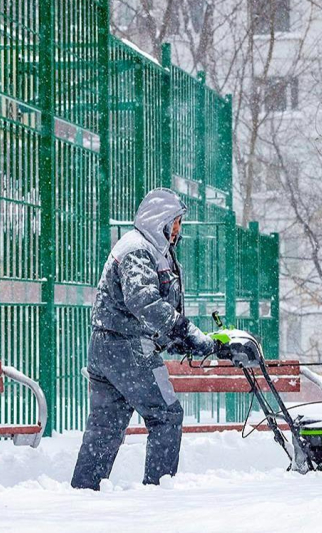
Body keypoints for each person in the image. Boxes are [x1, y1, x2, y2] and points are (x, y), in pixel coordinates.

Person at [71, 188, 224, 490]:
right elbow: (143, 302)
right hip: (129, 349)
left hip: (106, 347)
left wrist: (177, 339)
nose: (178, 230)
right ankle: (159, 490)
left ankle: (84, 492)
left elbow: (148, 307)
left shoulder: (147, 248)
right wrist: (184, 331)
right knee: (167, 414)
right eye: (175, 222)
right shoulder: (139, 249)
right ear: (160, 220)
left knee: (105, 426)